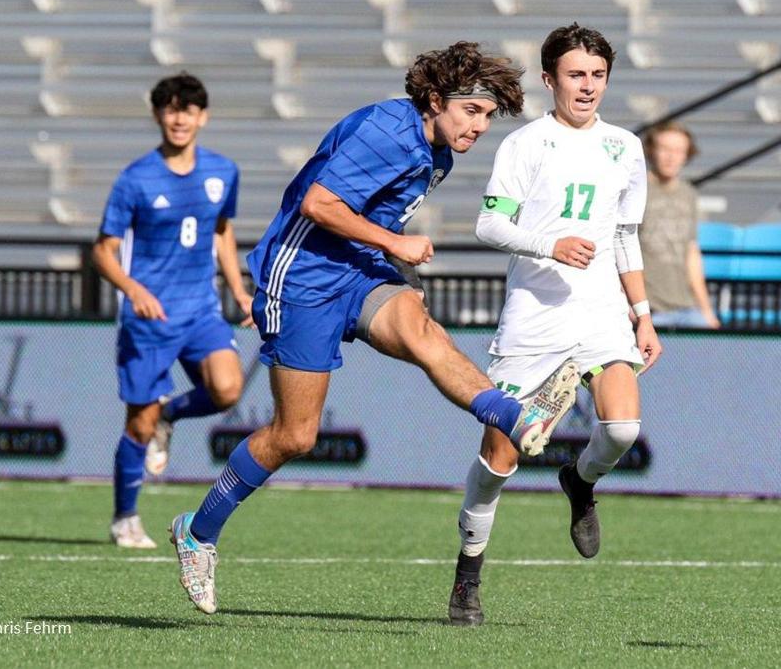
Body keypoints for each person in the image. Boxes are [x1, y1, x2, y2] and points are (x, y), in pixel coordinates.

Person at [168, 42, 580, 615]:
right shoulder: (388, 131)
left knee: (423, 334)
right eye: (471, 112)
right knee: (296, 436)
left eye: (488, 116)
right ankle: (199, 530)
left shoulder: (439, 155)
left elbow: (379, 221)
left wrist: (401, 271)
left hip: (358, 273)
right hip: (302, 280)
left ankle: (517, 416)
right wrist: (397, 246)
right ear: (435, 100)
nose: (480, 126)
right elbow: (319, 204)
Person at [445, 24, 663, 627]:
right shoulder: (526, 143)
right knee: (499, 454)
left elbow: (625, 236)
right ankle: (468, 574)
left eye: (596, 75)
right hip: (535, 316)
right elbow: (490, 226)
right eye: (575, 75)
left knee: (621, 428)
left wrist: (642, 315)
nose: (587, 86)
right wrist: (548, 245)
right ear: (550, 80)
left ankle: (580, 481)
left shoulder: (625, 146)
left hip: (601, 312)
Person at [92, 72, 250, 549]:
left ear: (202, 116)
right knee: (137, 423)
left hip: (200, 309)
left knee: (227, 389)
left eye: (188, 109)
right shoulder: (135, 179)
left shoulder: (222, 171)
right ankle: (125, 517)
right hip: (150, 317)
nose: (178, 117)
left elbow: (220, 231)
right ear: (158, 115)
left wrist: (239, 292)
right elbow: (102, 250)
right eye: (169, 108)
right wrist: (131, 287)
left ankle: (170, 416)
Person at [639, 121, 720, 329]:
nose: (671, 157)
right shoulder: (636, 190)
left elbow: (691, 253)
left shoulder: (688, 194)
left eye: (678, 150)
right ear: (651, 151)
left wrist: (706, 309)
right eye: (664, 149)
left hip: (687, 308)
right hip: (649, 309)